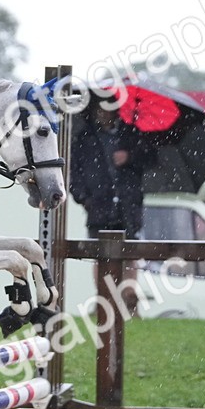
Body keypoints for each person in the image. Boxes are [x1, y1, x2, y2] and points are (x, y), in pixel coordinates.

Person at [68, 94, 155, 315]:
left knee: (130, 252)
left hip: (128, 205)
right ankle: (104, 300)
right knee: (99, 254)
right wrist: (85, 199)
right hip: (98, 206)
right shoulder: (85, 139)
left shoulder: (131, 134)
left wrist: (130, 156)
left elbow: (151, 158)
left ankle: (129, 300)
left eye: (109, 108)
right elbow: (74, 174)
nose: (104, 113)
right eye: (100, 109)